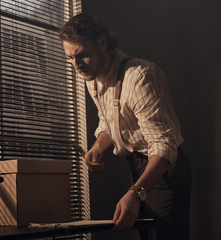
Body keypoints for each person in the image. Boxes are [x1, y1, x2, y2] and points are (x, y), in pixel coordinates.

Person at [59, 13, 191, 240]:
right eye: (70, 58)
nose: (76, 65)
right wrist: (99, 146)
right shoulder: (92, 75)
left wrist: (135, 193)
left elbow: (165, 146)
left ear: (102, 43)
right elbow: (108, 120)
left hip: (164, 168)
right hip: (137, 167)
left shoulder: (140, 77)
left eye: (82, 55)